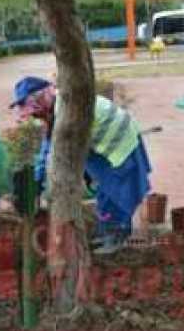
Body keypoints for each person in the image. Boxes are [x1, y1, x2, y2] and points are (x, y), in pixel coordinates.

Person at [10, 76, 152, 254]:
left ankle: (117, 236)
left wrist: (42, 182)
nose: (34, 115)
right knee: (104, 191)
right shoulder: (55, 106)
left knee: (117, 191)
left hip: (117, 141)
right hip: (99, 142)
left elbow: (57, 151)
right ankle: (108, 232)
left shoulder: (67, 110)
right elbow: (48, 144)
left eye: (33, 109)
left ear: (41, 99)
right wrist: (37, 181)